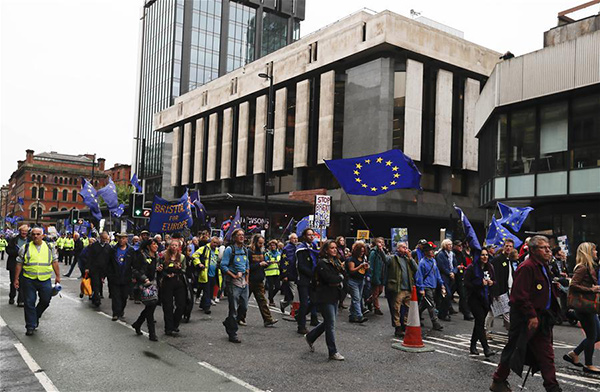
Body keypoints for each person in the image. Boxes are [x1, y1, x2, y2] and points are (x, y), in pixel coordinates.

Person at [490, 236, 562, 392]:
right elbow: (519, 296)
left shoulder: (544, 266)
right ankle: (498, 381)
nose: (548, 251)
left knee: (546, 354)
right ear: (534, 250)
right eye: (544, 248)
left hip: (542, 318)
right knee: (515, 349)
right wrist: (531, 315)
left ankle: (552, 387)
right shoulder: (527, 267)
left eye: (549, 248)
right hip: (525, 319)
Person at [13, 227, 60, 336]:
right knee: (29, 302)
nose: (35, 236)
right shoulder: (25, 247)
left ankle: (35, 316)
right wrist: (16, 279)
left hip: (45, 279)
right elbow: (19, 264)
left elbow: (55, 261)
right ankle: (30, 325)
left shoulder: (49, 247)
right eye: (33, 234)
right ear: (31, 235)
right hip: (29, 279)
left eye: (38, 234)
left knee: (45, 300)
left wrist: (58, 276)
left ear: (43, 236)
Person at [563, 242, 600, 374]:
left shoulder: (589, 267)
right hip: (583, 306)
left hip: (589, 306)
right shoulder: (582, 268)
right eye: (594, 251)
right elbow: (573, 285)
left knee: (598, 334)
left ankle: (574, 353)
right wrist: (591, 289)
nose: (596, 253)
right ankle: (589, 365)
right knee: (592, 335)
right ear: (588, 252)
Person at [305, 240, 345, 361]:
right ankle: (332, 351)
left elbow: (343, 274)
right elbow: (329, 278)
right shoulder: (322, 263)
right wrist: (340, 278)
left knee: (328, 322)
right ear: (326, 250)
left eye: (335, 248)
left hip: (335, 295)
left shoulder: (337, 262)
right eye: (331, 248)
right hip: (324, 296)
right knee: (330, 324)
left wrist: (340, 278)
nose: (334, 250)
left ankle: (310, 337)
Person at [464, 247, 496, 357]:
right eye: (482, 255)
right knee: (480, 322)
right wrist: (479, 283)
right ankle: (486, 348)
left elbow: (494, 281)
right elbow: (467, 283)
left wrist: (492, 283)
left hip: (486, 299)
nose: (485, 257)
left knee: (479, 323)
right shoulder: (472, 268)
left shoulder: (490, 267)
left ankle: (473, 345)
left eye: (486, 255)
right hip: (474, 299)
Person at [221, 228, 250, 343]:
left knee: (244, 307)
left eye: (243, 235)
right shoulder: (230, 250)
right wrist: (233, 275)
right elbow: (223, 266)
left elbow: (247, 265)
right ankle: (232, 333)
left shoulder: (245, 250)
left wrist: (247, 279)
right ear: (234, 237)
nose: (242, 237)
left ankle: (229, 322)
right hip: (234, 283)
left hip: (244, 282)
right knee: (234, 309)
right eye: (239, 235)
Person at [385, 241, 418, 337]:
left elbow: (416, 269)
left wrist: (410, 257)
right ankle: (397, 327)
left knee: (408, 309)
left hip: (408, 287)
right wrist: (380, 249)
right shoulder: (393, 258)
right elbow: (385, 260)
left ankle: (405, 325)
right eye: (403, 247)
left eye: (406, 247)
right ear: (398, 249)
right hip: (398, 288)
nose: (406, 249)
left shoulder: (408, 259)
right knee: (396, 309)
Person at [131, 238, 160, 341]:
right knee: (150, 307)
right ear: (148, 246)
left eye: (157, 244)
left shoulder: (156, 256)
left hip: (154, 284)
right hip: (145, 284)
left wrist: (159, 269)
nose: (156, 246)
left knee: (150, 307)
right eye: (154, 244)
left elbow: (155, 269)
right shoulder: (142, 255)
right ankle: (152, 334)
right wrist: (144, 279)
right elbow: (135, 270)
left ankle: (137, 324)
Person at [247, 235, 278, 327]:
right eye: (260, 243)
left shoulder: (263, 252)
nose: (261, 245)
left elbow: (263, 264)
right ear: (255, 242)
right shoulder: (249, 252)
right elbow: (247, 266)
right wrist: (259, 264)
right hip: (250, 280)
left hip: (259, 280)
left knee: (262, 301)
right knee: (244, 301)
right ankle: (239, 317)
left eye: (263, 243)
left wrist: (267, 264)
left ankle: (268, 319)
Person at [487, 239, 515, 335]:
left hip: (507, 290)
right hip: (500, 291)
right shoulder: (498, 260)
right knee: (499, 312)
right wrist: (495, 292)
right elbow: (496, 277)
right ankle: (512, 332)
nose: (508, 248)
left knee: (495, 312)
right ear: (503, 247)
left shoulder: (508, 260)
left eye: (510, 246)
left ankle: (510, 331)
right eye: (507, 246)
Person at [415, 243, 445, 331]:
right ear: (426, 252)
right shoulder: (422, 263)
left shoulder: (433, 261)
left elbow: (437, 273)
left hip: (433, 286)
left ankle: (414, 316)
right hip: (426, 286)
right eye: (431, 250)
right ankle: (435, 323)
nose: (433, 251)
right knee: (431, 305)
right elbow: (419, 276)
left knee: (424, 304)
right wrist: (421, 288)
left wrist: (441, 284)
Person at [160, 240, 187, 336]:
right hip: (167, 283)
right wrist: (166, 274)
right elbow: (160, 269)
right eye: (172, 245)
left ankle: (175, 324)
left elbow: (185, 269)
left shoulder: (182, 257)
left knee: (181, 305)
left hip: (178, 282)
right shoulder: (163, 256)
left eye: (176, 245)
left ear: (179, 247)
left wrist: (180, 269)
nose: (174, 247)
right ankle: (168, 328)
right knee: (168, 306)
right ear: (169, 246)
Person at [106, 233, 134, 321]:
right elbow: (108, 263)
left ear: (126, 239)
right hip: (115, 276)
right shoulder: (113, 249)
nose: (122, 240)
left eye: (123, 238)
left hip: (126, 277)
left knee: (124, 296)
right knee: (115, 296)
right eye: (120, 238)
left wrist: (134, 275)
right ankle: (115, 313)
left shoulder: (130, 250)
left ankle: (121, 310)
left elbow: (134, 264)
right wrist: (109, 274)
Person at [296, 228, 320, 334]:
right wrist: (312, 274)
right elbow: (300, 266)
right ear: (304, 236)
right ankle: (301, 326)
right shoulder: (301, 249)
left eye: (312, 235)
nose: (311, 236)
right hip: (303, 279)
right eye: (309, 235)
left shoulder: (314, 247)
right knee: (304, 303)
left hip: (313, 279)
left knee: (314, 301)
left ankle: (299, 315)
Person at [192, 236, 220, 314]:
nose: (215, 244)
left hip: (213, 274)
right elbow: (194, 255)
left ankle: (202, 304)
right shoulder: (204, 248)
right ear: (210, 242)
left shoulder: (217, 251)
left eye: (217, 243)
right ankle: (207, 307)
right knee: (207, 291)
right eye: (214, 242)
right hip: (205, 274)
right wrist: (199, 264)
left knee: (210, 291)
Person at [85, 232, 112, 307]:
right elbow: (90, 257)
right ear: (100, 238)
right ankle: (97, 298)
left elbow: (110, 259)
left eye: (106, 238)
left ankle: (96, 296)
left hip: (104, 269)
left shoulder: (108, 247)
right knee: (95, 283)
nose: (105, 240)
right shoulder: (94, 246)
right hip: (95, 268)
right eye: (103, 238)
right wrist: (87, 267)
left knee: (100, 283)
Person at [346, 241, 369, 323]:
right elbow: (351, 270)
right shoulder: (351, 259)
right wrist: (360, 266)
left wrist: (366, 268)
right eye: (360, 251)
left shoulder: (363, 258)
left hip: (361, 280)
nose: (362, 253)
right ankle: (359, 316)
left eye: (363, 251)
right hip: (353, 281)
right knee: (356, 298)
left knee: (357, 298)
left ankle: (352, 315)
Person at [6, 225, 29, 306]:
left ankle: (20, 300)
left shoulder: (30, 240)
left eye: (26, 231)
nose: (24, 232)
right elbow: (8, 250)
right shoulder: (13, 240)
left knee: (23, 282)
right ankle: (12, 296)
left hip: (25, 264)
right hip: (14, 264)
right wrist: (18, 252)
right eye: (23, 231)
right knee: (13, 281)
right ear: (20, 231)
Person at [453, 240, 473, 320]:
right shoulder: (452, 254)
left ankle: (466, 313)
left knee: (463, 295)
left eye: (461, 245)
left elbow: (465, 264)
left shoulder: (461, 254)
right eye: (458, 245)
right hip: (453, 276)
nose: (460, 247)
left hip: (460, 277)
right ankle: (443, 311)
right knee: (448, 295)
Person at [435, 239, 455, 321]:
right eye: (448, 244)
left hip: (451, 277)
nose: (450, 246)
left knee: (445, 296)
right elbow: (441, 266)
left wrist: (454, 271)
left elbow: (455, 264)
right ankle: (443, 313)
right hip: (444, 277)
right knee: (447, 295)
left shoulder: (452, 254)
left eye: (451, 244)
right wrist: (449, 273)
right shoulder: (441, 255)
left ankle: (442, 312)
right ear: (444, 245)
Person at [367, 237, 386, 316]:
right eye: (379, 242)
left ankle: (369, 301)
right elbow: (370, 264)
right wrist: (370, 275)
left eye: (382, 242)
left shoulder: (382, 252)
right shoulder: (373, 252)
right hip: (375, 275)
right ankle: (377, 308)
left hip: (381, 275)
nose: (380, 244)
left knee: (380, 291)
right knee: (376, 292)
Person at [280, 233, 299, 313]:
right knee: (295, 294)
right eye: (294, 238)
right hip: (290, 274)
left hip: (296, 273)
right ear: (290, 239)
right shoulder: (286, 249)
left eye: (296, 238)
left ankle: (284, 304)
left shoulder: (297, 247)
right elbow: (283, 262)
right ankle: (294, 311)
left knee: (293, 294)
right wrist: (284, 275)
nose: (295, 240)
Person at [264, 239, 281, 307]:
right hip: (269, 272)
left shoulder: (279, 253)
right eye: (271, 245)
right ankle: (271, 301)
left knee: (278, 287)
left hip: (277, 272)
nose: (273, 246)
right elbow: (266, 261)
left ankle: (270, 297)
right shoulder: (267, 254)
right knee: (270, 287)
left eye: (274, 245)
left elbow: (281, 262)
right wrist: (271, 262)